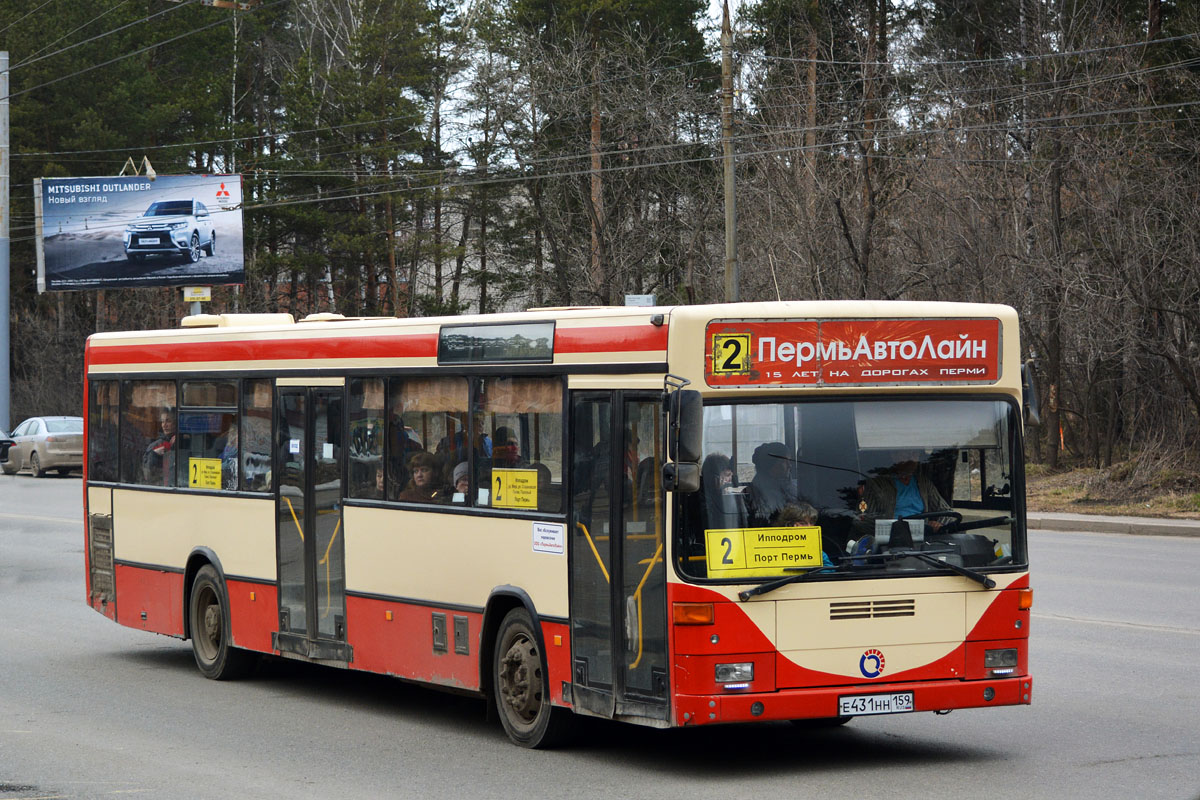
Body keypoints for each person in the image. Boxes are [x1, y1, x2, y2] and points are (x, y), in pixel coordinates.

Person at [862, 448, 953, 530]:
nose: (912, 458)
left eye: (915, 454)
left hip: (922, 536)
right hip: (891, 540)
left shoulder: (923, 483)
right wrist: (887, 528)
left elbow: (947, 512)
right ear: (894, 456)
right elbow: (864, 519)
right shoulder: (877, 484)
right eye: (907, 454)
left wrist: (938, 524)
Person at [746, 441, 807, 526]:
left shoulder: (791, 485)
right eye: (784, 462)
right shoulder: (760, 491)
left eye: (789, 461)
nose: (790, 466)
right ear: (770, 465)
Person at [774, 503, 834, 567]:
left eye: (811, 523)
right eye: (803, 523)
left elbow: (828, 572)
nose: (809, 527)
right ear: (789, 525)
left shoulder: (816, 551)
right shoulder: (772, 549)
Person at [700, 453, 736, 529]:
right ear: (714, 477)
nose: (730, 480)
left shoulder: (724, 495)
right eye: (727, 475)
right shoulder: (703, 499)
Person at [142, 408, 177, 486]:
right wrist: (154, 454)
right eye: (162, 421)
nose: (164, 425)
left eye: (168, 421)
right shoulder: (155, 445)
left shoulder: (183, 440)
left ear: (175, 423)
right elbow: (147, 474)